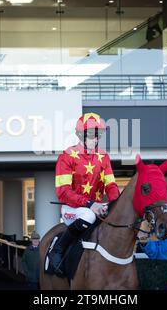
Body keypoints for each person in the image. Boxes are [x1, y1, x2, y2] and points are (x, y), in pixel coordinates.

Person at [48, 112, 120, 276]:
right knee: (88, 216)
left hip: (97, 208)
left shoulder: (103, 157)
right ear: (81, 135)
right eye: (92, 135)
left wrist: (115, 204)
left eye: (98, 135)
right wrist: (90, 204)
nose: (95, 139)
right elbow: (63, 192)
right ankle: (58, 250)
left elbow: (111, 186)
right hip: (72, 210)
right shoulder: (66, 156)